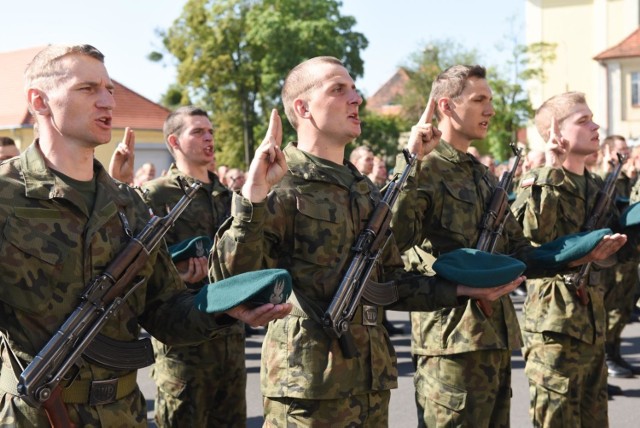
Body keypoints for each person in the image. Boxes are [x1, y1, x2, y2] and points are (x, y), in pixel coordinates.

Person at [210, 56, 526, 427]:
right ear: (303, 107)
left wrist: (460, 289)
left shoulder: (361, 190)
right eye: (338, 89)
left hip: (371, 385)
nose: (356, 98)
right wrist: (253, 199)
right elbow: (231, 283)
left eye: (354, 88)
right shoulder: (283, 183)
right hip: (310, 390)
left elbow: (391, 283)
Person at [0, 44, 291, 427]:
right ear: (39, 101)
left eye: (110, 89)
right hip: (33, 414)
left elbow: (165, 311)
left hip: (125, 413)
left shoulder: (129, 205)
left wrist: (224, 310)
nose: (106, 101)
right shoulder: (6, 197)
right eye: (87, 89)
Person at [389, 66, 626, 428]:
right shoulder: (425, 169)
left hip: (495, 340)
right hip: (451, 345)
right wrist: (410, 164)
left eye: (491, 100)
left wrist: (581, 254)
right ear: (446, 106)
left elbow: (521, 253)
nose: (491, 110)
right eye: (479, 100)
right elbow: (392, 240)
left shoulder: (481, 176)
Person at [511, 92, 629, 426]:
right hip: (554, 328)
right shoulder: (537, 181)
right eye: (583, 120)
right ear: (555, 133)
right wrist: (549, 168)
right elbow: (533, 236)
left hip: (591, 324)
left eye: (592, 118)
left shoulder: (595, 184)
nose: (596, 126)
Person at [141, 106, 246, 427]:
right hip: (183, 350)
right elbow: (142, 268)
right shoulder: (156, 196)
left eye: (210, 131)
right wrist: (180, 277)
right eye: (198, 132)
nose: (209, 137)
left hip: (230, 341)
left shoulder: (229, 197)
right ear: (174, 141)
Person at [598, 135, 640, 383]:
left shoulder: (629, 179)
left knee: (624, 307)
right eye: (620, 150)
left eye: (627, 150)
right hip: (612, 254)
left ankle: (613, 351)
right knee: (610, 308)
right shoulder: (607, 180)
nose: (625, 154)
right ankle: (605, 356)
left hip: (630, 253)